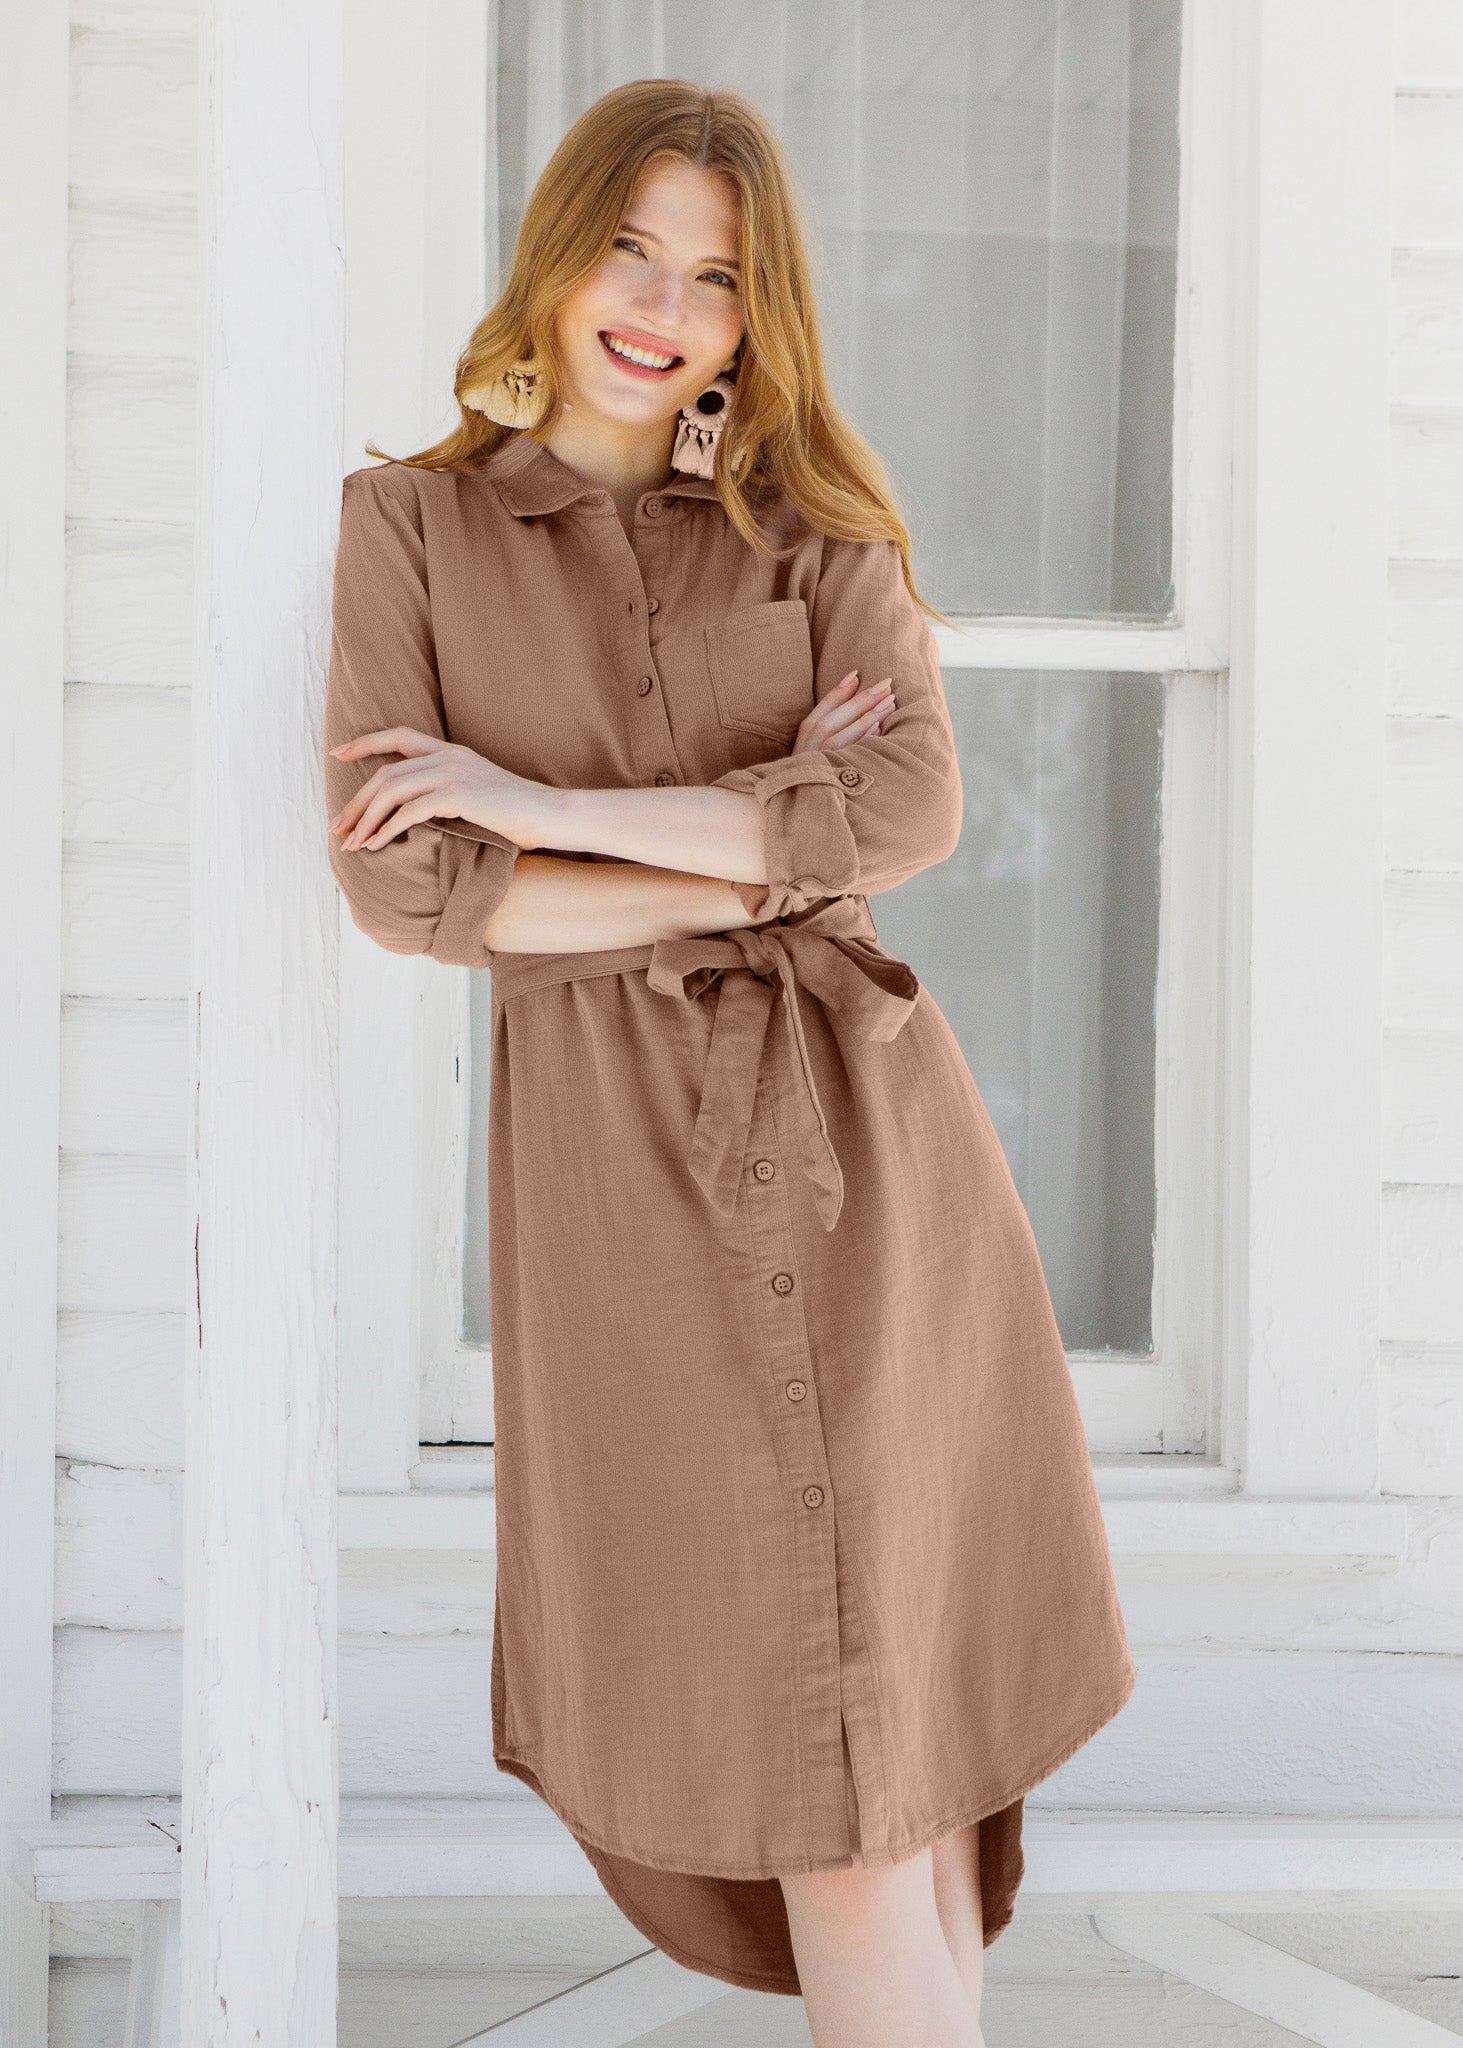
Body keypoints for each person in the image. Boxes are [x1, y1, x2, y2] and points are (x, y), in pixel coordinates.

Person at [323, 78, 1135, 2048]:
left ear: (754, 316)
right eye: (630, 249)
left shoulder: (816, 528)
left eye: (713, 276)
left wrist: (541, 811)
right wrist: (762, 844)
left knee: (900, 1785)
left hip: (876, 1179)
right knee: (808, 1763)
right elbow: (418, 897)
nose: (660, 305)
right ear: (558, 247)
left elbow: (917, 800)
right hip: (623, 1209)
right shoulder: (409, 531)